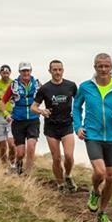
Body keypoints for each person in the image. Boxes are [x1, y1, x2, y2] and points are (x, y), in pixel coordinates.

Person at [72, 53, 112, 222]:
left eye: (106, 66)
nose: (103, 69)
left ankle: (102, 212)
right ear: (95, 67)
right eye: (100, 66)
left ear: (111, 67)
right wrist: (78, 127)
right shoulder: (85, 87)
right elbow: (76, 107)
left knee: (111, 177)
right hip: (93, 135)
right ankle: (95, 191)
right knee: (100, 172)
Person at [31, 60, 78, 192]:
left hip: (67, 125)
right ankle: (60, 184)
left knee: (68, 155)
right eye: (54, 70)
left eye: (59, 69)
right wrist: (42, 111)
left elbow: (80, 101)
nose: (57, 72)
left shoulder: (71, 85)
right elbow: (33, 107)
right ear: (50, 71)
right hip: (51, 126)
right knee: (56, 158)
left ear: (63, 70)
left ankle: (68, 175)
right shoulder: (44, 88)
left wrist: (78, 115)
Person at [0, 62, 41, 175]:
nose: (26, 73)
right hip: (18, 121)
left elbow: (46, 96)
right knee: (20, 153)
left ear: (31, 71)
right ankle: (18, 166)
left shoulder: (37, 84)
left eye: (28, 70)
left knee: (31, 147)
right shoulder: (14, 85)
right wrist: (6, 114)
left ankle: (27, 174)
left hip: (33, 120)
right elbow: (2, 101)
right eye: (23, 71)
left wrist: (45, 110)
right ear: (19, 72)